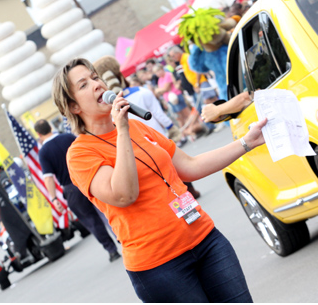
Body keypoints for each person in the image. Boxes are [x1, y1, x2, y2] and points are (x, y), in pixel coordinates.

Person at [52, 58, 267, 302]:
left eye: (95, 77)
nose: (96, 84)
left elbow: (190, 166)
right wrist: (121, 131)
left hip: (206, 241)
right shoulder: (80, 153)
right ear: (73, 107)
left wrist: (247, 143)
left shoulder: (137, 127)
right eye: (83, 85)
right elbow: (123, 195)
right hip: (160, 267)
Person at [93, 55, 201, 198]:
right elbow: (158, 114)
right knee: (174, 166)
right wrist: (171, 128)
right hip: (158, 138)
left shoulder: (109, 107)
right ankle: (188, 192)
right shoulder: (141, 91)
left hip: (135, 148)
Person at [33, 119, 121, 262]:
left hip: (71, 188)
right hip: (89, 178)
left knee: (91, 221)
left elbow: (48, 178)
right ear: (50, 127)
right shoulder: (68, 137)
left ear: (38, 134)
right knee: (106, 211)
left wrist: (54, 198)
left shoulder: (44, 152)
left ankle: (111, 250)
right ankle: (121, 237)